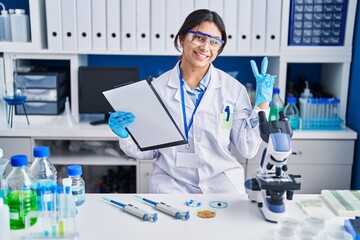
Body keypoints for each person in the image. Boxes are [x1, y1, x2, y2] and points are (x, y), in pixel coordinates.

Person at [108, 9, 275, 194]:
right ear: (182, 39)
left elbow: (248, 149)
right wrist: (126, 135)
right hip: (172, 184)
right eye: (198, 37)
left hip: (221, 184)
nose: (205, 47)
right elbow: (150, 152)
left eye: (214, 42)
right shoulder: (158, 89)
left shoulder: (233, 90)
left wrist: (262, 105)